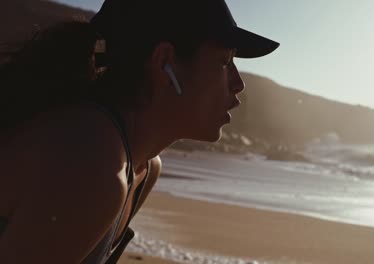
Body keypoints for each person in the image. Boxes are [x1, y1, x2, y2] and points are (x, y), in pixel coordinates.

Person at [0, 0, 279, 263]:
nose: (238, 82)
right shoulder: (93, 163)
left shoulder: (143, 166)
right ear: (164, 63)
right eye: (224, 60)